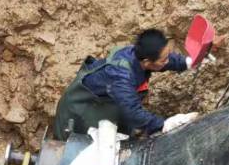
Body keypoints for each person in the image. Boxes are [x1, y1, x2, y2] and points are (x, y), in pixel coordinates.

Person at [52, 28, 199, 140]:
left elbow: (164, 60)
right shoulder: (121, 76)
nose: (167, 61)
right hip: (79, 111)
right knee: (73, 151)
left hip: (106, 104)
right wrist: (163, 124)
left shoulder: (138, 55)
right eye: (163, 60)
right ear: (147, 62)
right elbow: (132, 111)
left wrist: (187, 62)